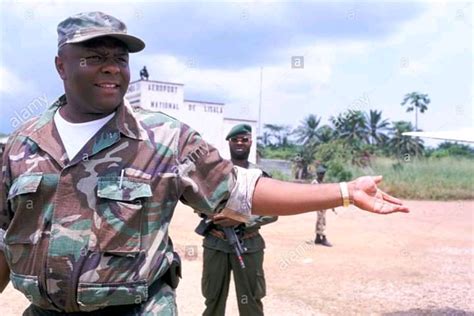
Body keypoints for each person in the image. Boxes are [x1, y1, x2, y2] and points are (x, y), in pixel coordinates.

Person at [0, 11, 409, 316]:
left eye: (119, 58)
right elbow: (5, 234)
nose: (111, 67)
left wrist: (343, 192)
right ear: (61, 65)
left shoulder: (164, 138)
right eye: (93, 56)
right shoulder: (22, 145)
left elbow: (240, 192)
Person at [199, 124, 277, 316]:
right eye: (235, 140)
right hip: (216, 243)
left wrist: (241, 219)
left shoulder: (260, 175)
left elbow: (272, 212)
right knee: (213, 300)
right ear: (229, 143)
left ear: (251, 142)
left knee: (250, 300)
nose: (240, 143)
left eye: (244, 139)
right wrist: (208, 212)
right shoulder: (217, 172)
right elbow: (199, 199)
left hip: (248, 244)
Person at [312, 165, 335, 247]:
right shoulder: (315, 183)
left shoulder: (323, 182)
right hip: (319, 204)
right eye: (321, 174)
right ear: (318, 174)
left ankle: (318, 237)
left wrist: (332, 204)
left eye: (323, 174)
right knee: (322, 220)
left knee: (320, 220)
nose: (322, 175)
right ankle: (324, 237)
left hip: (324, 204)